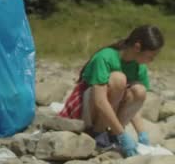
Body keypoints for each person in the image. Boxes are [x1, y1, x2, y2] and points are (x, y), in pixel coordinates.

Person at [59, 25, 164, 157]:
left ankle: (112, 135)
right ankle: (98, 133)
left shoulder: (139, 67)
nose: (152, 60)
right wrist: (123, 134)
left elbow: (133, 104)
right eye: (151, 56)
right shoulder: (106, 57)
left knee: (140, 91)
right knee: (118, 79)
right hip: (85, 108)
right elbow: (100, 100)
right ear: (137, 47)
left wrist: (141, 133)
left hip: (107, 111)